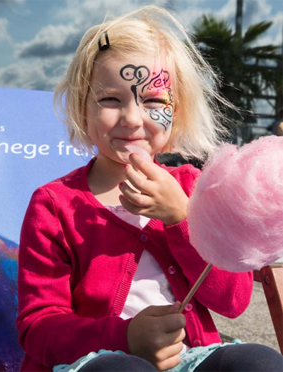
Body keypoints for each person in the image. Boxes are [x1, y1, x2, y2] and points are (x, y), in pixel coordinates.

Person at [16, 5, 283, 372]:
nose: (131, 118)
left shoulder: (197, 189)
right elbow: (38, 328)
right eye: (110, 99)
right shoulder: (54, 205)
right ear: (83, 109)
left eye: (154, 100)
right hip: (95, 362)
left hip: (190, 358)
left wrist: (182, 217)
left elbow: (234, 301)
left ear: (178, 114)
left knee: (259, 362)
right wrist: (124, 339)